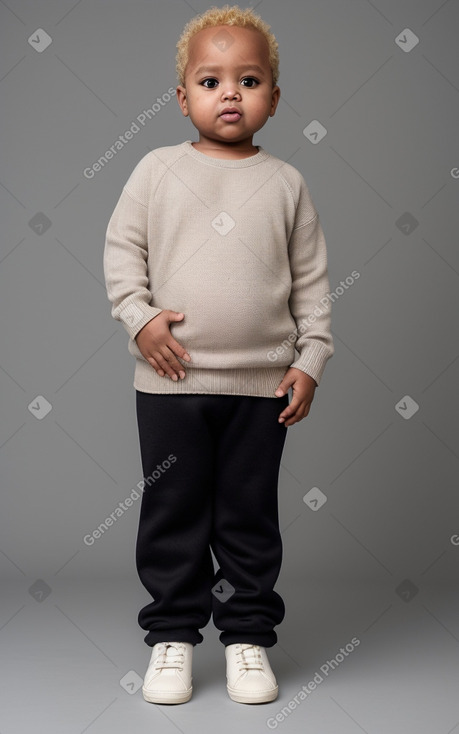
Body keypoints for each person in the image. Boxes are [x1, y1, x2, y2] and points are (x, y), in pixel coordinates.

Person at [103, 3, 334, 706]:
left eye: (249, 78)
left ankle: (246, 639)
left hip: (259, 389)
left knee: (245, 514)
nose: (229, 92)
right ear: (181, 98)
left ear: (272, 97)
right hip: (171, 383)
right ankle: (172, 636)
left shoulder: (287, 184)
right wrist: (139, 320)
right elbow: (122, 254)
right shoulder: (154, 170)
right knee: (173, 511)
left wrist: (309, 359)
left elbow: (314, 285)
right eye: (209, 80)